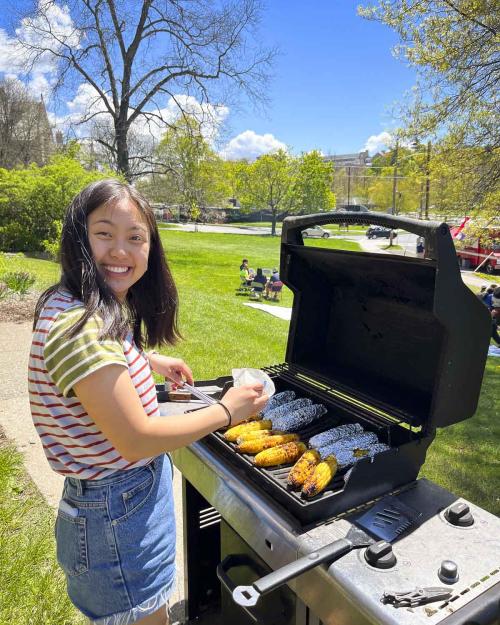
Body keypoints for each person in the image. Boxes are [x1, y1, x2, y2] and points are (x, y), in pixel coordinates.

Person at [29, 179, 268, 625]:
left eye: (135, 237)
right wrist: (227, 411)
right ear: (77, 236)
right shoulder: (80, 327)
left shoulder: (79, 306)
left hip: (108, 506)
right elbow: (136, 440)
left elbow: (98, 362)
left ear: (150, 247)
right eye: (104, 233)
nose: (120, 250)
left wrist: (148, 359)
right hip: (116, 513)